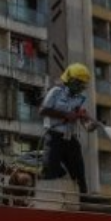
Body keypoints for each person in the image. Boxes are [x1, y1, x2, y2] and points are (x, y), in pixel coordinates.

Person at [39, 63, 94, 193]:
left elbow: (82, 119)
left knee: (80, 175)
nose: (81, 87)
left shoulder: (80, 98)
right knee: (50, 172)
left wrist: (89, 125)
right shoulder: (56, 92)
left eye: (83, 84)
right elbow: (42, 110)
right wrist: (65, 115)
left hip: (70, 139)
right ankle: (48, 199)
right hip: (54, 137)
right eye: (79, 83)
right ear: (70, 79)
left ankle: (83, 200)